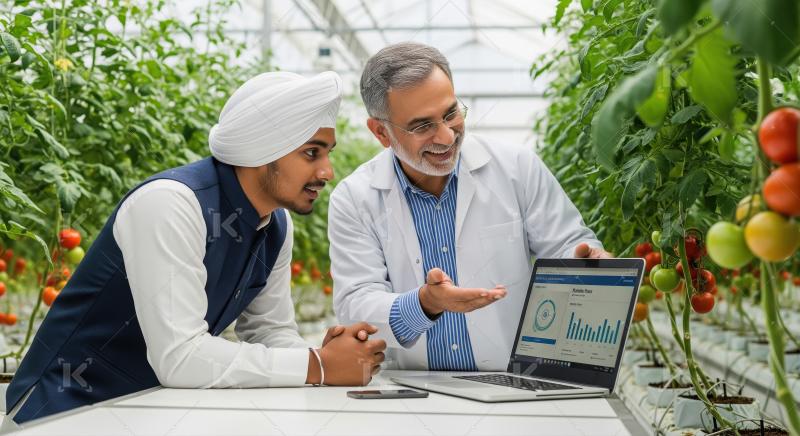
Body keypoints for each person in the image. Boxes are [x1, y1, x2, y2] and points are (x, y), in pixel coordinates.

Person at [5, 71, 386, 425]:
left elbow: (270, 331)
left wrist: (324, 357)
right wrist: (316, 365)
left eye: (327, 154)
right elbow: (181, 358)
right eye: (311, 153)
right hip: (63, 412)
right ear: (262, 149)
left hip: (152, 406)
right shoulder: (170, 204)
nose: (327, 173)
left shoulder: (274, 226)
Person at [328, 42, 610, 372]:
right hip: (414, 390)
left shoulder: (517, 168)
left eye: (451, 114)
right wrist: (425, 303)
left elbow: (566, 244)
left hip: (512, 380)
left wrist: (589, 262)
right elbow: (356, 304)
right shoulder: (354, 198)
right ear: (381, 132)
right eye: (422, 126)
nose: (447, 137)